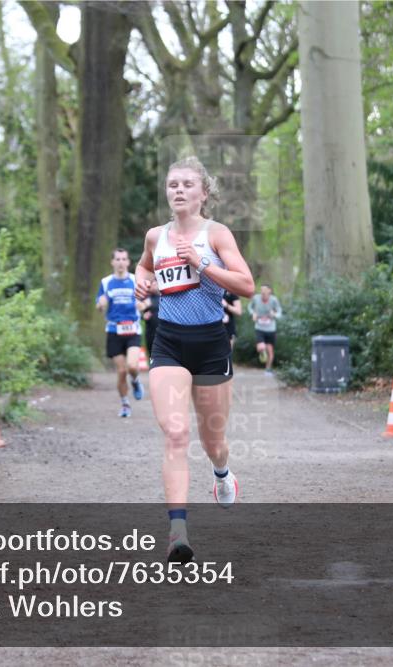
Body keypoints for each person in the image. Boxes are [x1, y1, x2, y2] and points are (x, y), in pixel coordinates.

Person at [134, 156, 255, 563]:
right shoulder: (156, 237)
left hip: (211, 344)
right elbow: (144, 267)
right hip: (168, 342)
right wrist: (141, 282)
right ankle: (178, 533)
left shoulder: (216, 234)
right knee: (175, 433)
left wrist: (201, 263)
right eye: (173, 184)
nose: (179, 190)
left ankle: (222, 474)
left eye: (188, 184)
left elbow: (247, 285)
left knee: (212, 440)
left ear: (204, 193)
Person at [96, 248, 144, 417]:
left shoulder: (135, 280)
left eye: (124, 259)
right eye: (117, 259)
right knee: (122, 371)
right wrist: (101, 304)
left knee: (132, 366)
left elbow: (146, 302)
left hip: (133, 329)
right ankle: (125, 404)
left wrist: (142, 306)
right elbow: (99, 305)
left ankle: (136, 381)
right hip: (114, 330)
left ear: (128, 262)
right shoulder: (106, 282)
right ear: (112, 262)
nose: (121, 262)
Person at [248, 284, 282, 374]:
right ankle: (262, 352)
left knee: (270, 351)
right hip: (259, 327)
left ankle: (268, 369)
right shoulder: (256, 298)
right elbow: (250, 307)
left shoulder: (274, 300)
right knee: (261, 347)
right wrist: (253, 313)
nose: (262, 292)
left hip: (271, 329)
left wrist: (274, 314)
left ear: (269, 291)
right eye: (261, 290)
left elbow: (279, 312)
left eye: (265, 290)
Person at [141, 285, 160, 357]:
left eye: (154, 283)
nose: (152, 285)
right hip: (151, 333)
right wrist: (143, 316)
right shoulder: (145, 298)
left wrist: (151, 303)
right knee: (152, 355)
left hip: (165, 332)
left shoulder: (166, 296)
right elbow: (136, 312)